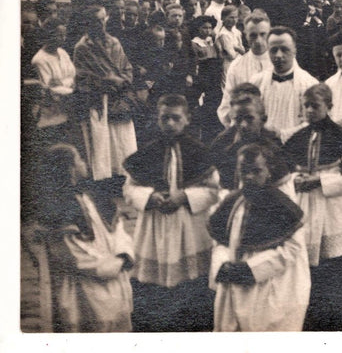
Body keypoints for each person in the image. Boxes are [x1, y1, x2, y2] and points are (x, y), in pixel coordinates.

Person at [122, 94, 220, 332]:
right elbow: (129, 188)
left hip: (189, 225)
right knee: (153, 286)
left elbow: (214, 190)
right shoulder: (147, 152)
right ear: (158, 120)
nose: (170, 124)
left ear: (187, 119)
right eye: (165, 118)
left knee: (191, 282)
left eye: (176, 118)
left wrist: (185, 196)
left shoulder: (200, 152)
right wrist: (148, 197)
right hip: (154, 224)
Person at [282, 84, 342, 330]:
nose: (309, 110)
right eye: (306, 106)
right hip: (306, 207)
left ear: (329, 107)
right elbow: (287, 172)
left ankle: (335, 320)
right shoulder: (298, 136)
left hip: (333, 209)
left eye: (315, 106)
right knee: (308, 267)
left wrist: (320, 180)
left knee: (334, 265)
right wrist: (295, 181)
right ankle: (311, 316)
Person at [208, 143, 309, 332]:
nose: (248, 177)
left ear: (269, 172)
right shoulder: (232, 201)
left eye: (256, 171)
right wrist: (223, 264)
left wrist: (249, 269)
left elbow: (292, 248)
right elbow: (219, 242)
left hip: (267, 282)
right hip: (232, 277)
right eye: (243, 171)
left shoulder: (283, 206)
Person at [33, 144, 135, 332]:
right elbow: (72, 255)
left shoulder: (94, 197)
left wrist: (123, 254)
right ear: (69, 169)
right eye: (79, 159)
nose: (84, 163)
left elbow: (118, 229)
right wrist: (112, 266)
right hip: (84, 290)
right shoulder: (58, 210)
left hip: (115, 282)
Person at [73, 6, 138, 181]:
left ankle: (124, 175)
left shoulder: (114, 42)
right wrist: (105, 83)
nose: (101, 24)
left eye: (103, 19)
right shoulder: (82, 48)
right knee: (103, 143)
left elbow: (127, 67)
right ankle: (105, 180)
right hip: (99, 100)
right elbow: (81, 77)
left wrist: (122, 80)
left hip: (119, 97)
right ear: (88, 23)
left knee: (123, 140)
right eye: (96, 21)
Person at [249, 26, 318, 141]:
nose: (278, 55)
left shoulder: (310, 85)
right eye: (273, 50)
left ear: (295, 50)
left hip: (296, 150)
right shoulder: (256, 82)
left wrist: (282, 134)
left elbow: (314, 123)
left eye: (284, 49)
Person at [217, 13, 272, 126]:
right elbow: (226, 106)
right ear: (245, 36)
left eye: (263, 34)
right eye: (253, 35)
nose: (258, 40)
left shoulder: (280, 62)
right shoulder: (237, 66)